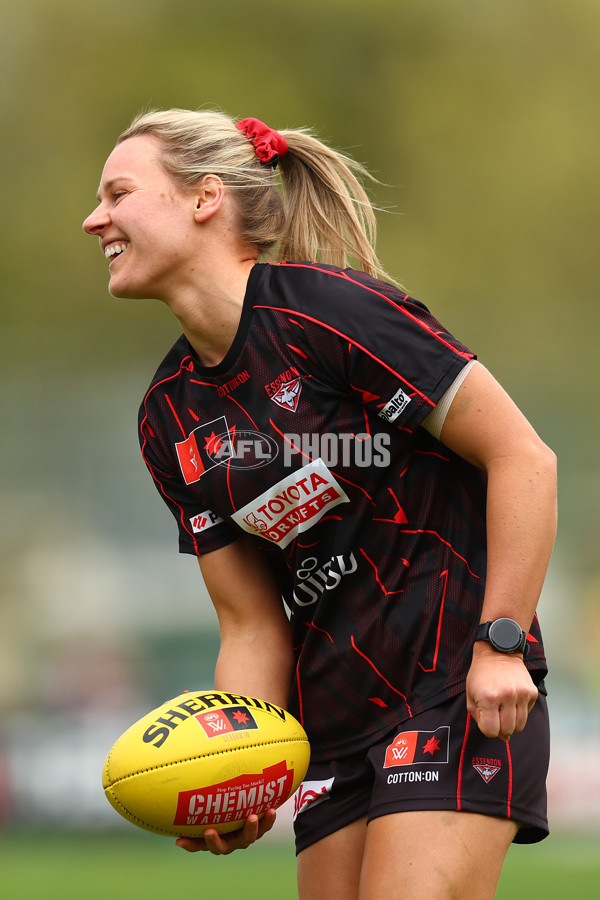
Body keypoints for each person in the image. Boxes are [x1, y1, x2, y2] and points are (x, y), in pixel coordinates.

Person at [83, 109, 557, 899]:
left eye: (118, 193)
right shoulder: (168, 415)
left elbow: (524, 459)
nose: (93, 219)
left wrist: (500, 643)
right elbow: (250, 623)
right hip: (331, 725)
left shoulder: (330, 311)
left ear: (204, 198)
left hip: (454, 682)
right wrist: (244, 771)